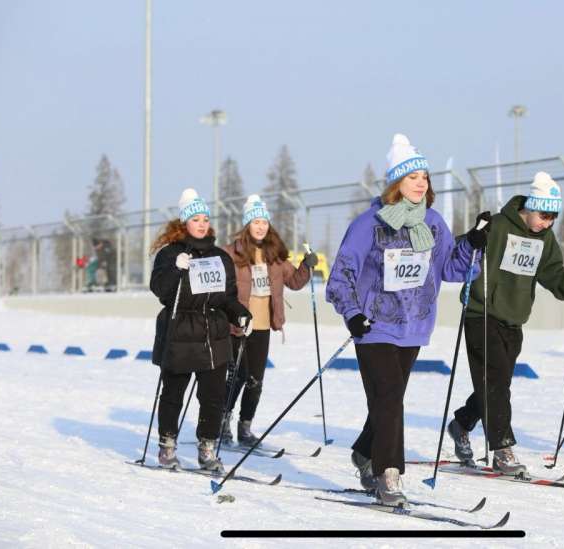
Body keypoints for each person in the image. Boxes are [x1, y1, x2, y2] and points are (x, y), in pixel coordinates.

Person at [326, 133, 486, 506]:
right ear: (396, 183)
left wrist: (472, 244)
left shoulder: (432, 223)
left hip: (414, 326)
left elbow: (450, 266)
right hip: (375, 327)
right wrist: (352, 314)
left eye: (425, 178)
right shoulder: (369, 223)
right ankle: (388, 475)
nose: (421, 183)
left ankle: (365, 452)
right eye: (412, 177)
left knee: (388, 399)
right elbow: (341, 275)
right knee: (389, 399)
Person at [447, 172, 564, 476]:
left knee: (496, 385)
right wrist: (473, 238)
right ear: (530, 208)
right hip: (482, 316)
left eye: (554, 217)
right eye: (544, 215)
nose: (548, 223)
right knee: (494, 385)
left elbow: (556, 279)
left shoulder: (544, 238)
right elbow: (458, 252)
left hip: (513, 321)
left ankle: (462, 423)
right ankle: (503, 450)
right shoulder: (499, 226)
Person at [149, 188, 252, 471]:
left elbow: (228, 296)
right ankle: (167, 446)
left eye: (205, 218)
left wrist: (240, 314)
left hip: (214, 334)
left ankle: (207, 448)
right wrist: (176, 269)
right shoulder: (170, 254)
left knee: (214, 397)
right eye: (196, 219)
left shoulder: (220, 257)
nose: (202, 223)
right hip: (181, 331)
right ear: (184, 223)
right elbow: (161, 290)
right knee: (173, 393)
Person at [221, 194, 318, 446]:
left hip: (263, 326)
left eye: (264, 222)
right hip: (238, 326)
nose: (261, 226)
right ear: (247, 225)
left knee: (255, 380)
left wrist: (306, 266)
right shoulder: (232, 254)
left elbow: (295, 282)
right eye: (256, 222)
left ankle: (245, 426)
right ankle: (222, 421)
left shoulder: (274, 256)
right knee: (237, 376)